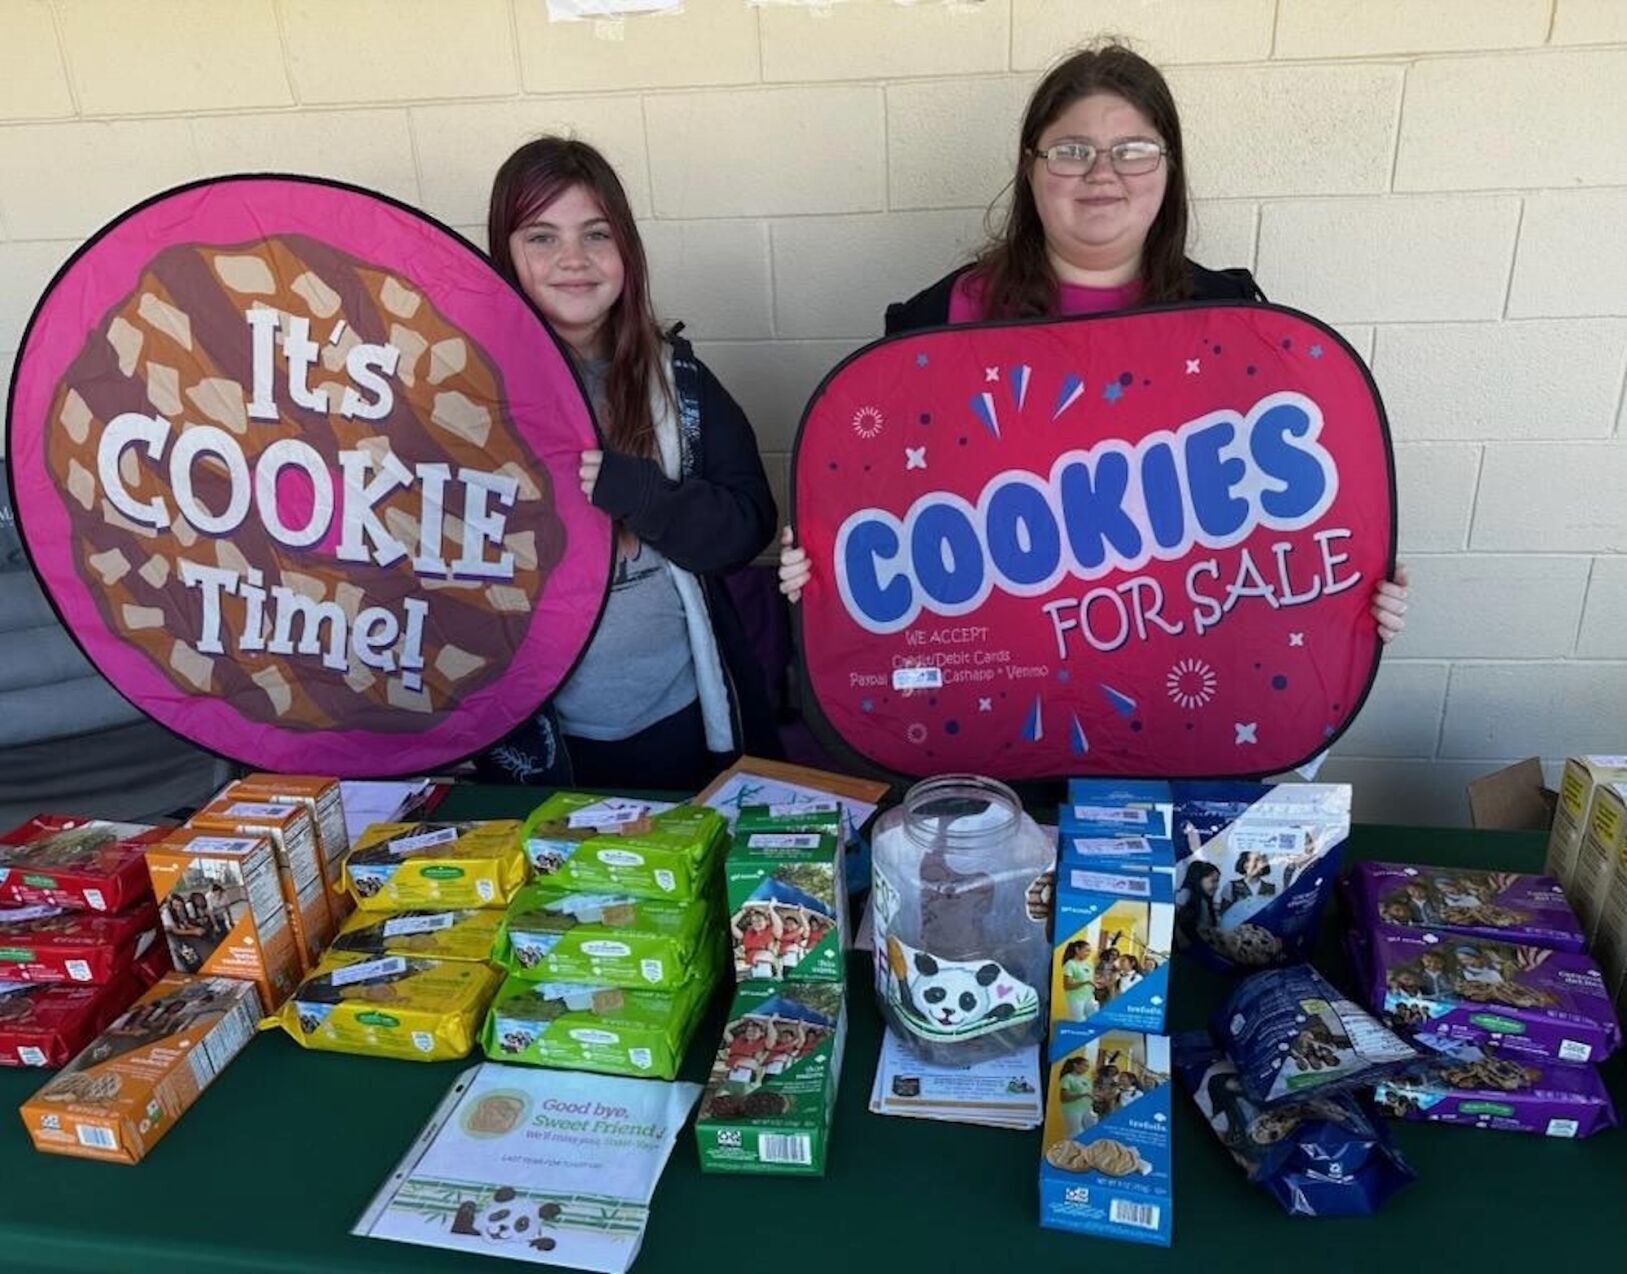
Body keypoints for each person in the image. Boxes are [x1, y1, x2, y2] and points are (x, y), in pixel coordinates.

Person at [777, 43, 1410, 641]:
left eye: (1134, 149)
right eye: (1072, 150)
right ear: (1031, 169)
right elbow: (879, 493)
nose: (1103, 173)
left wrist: (1346, 590)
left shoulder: (1233, 322)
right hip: (997, 678)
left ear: (1168, 169)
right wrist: (825, 558)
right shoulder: (940, 319)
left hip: (1182, 669)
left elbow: (1277, 529)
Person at [475, 137, 779, 793]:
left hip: (680, 718)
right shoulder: (467, 395)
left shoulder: (679, 382)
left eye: (595, 234)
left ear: (627, 252)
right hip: (536, 739)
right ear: (505, 254)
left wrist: (648, 497)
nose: (573, 260)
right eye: (541, 237)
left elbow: (748, 524)